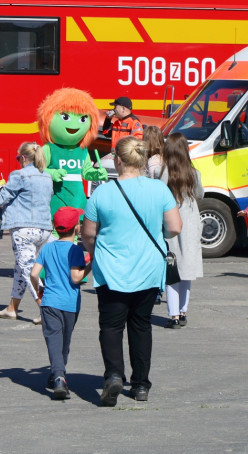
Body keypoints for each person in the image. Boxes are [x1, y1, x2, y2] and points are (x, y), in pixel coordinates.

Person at [81, 136, 181, 407]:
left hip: (111, 271)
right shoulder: (159, 190)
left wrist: (96, 249)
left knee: (111, 327)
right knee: (141, 326)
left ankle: (114, 374)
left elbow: (88, 233)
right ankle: (140, 386)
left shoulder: (102, 192)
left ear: (117, 160)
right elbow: (174, 227)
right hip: (148, 268)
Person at [0, 141, 53, 322]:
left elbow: (1, 198)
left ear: (23, 157)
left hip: (24, 229)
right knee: (20, 269)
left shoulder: (19, 175)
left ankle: (45, 309)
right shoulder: (46, 176)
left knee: (28, 270)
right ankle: (12, 307)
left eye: (18, 158)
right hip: (44, 228)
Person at [30, 206, 90, 400]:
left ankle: (58, 375)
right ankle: (59, 375)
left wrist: (39, 289)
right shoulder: (76, 250)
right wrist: (90, 266)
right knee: (65, 340)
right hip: (70, 304)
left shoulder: (47, 248)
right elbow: (75, 277)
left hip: (49, 302)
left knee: (53, 339)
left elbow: (34, 273)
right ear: (76, 228)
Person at [158, 134, 204, 328]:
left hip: (172, 218)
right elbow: (201, 194)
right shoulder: (194, 172)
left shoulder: (166, 171)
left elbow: (158, 193)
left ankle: (174, 315)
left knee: (172, 268)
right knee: (187, 269)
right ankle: (184, 312)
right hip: (191, 219)